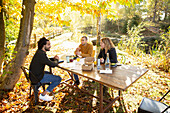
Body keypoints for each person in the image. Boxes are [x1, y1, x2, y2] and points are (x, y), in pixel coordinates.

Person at [29, 37, 62, 101]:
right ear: (43, 46)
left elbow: (46, 60)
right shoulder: (41, 54)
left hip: (34, 75)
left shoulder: (39, 52)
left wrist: (53, 59)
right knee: (58, 78)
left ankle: (46, 90)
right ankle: (43, 95)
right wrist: (57, 60)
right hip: (37, 78)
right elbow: (52, 65)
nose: (50, 46)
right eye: (48, 44)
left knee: (50, 73)